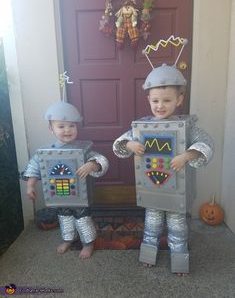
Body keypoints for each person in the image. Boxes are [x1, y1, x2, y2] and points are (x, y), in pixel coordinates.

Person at [113, 63, 214, 275]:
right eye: (155, 100)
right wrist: (131, 144)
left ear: (179, 100)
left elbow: (205, 144)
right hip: (153, 189)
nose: (160, 106)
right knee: (152, 223)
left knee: (177, 226)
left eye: (166, 100)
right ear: (149, 99)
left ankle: (179, 260)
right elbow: (121, 143)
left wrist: (187, 155)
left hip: (175, 190)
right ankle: (148, 254)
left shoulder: (187, 126)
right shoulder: (142, 126)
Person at [24, 101, 109, 259]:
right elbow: (34, 167)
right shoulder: (46, 152)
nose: (67, 130)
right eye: (61, 126)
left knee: (83, 219)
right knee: (65, 219)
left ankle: (88, 243)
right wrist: (30, 185)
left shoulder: (83, 149)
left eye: (71, 126)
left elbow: (101, 160)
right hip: (61, 196)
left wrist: (91, 165)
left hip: (79, 198)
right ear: (51, 128)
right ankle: (68, 239)